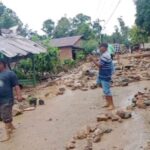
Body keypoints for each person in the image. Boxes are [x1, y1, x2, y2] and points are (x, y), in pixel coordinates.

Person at [0, 59, 22, 142]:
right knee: (3, 115)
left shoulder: (10, 73)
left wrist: (19, 95)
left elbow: (16, 86)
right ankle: (11, 126)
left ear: (3, 64)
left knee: (5, 116)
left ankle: (7, 134)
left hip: (7, 99)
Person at [89, 43, 115, 110]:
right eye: (99, 47)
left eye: (101, 47)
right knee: (100, 85)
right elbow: (101, 62)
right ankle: (107, 102)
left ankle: (112, 105)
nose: (100, 48)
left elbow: (99, 65)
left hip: (105, 75)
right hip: (102, 74)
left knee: (107, 90)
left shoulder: (105, 55)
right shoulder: (104, 54)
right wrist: (95, 59)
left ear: (105, 48)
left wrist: (92, 59)